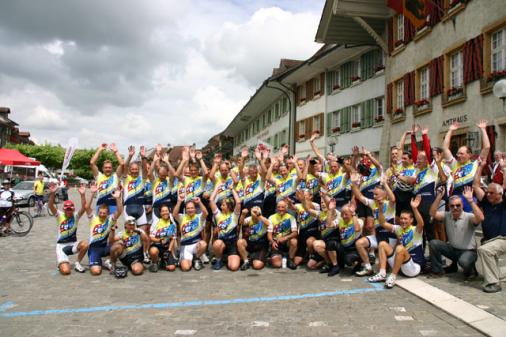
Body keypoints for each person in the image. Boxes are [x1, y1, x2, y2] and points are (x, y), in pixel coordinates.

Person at [368, 195, 425, 288]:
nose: (403, 221)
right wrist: (381, 210)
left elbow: (421, 224)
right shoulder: (398, 228)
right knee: (382, 244)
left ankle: (393, 276)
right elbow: (383, 223)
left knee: (399, 248)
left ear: (411, 220)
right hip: (400, 266)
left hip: (413, 267)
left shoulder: (416, 230)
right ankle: (382, 273)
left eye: (405, 219)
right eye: (401, 218)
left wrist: (414, 209)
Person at [429, 186, 484, 277]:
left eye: (458, 205)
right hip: (453, 250)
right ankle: (437, 271)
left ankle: (471, 269)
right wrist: (439, 197)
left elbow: (481, 218)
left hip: (468, 251)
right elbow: (432, 213)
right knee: (433, 243)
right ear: (449, 207)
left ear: (462, 206)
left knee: (464, 262)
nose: (455, 208)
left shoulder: (468, 216)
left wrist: (470, 201)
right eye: (452, 206)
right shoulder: (447, 215)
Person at [350, 172, 397, 276]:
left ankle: (385, 267)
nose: (374, 196)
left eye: (376, 194)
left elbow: (393, 198)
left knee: (384, 267)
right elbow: (360, 196)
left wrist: (385, 184)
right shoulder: (373, 203)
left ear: (384, 194)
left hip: (390, 239)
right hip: (379, 237)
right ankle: (368, 268)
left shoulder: (389, 204)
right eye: (374, 194)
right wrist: (353, 184)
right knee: (359, 243)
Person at [442, 120, 490, 211]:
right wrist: (450, 130)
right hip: (456, 197)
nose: (458, 155)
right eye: (457, 153)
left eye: (461, 154)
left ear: (469, 155)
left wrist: (483, 129)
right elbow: (445, 148)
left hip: (471, 197)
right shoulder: (454, 164)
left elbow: (486, 147)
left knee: (469, 221)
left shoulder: (475, 163)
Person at [473, 162, 506, 293]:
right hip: (489, 239)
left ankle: (494, 283)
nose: (488, 195)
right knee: (489, 255)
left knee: (485, 251)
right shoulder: (486, 201)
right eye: (487, 192)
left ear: (500, 194)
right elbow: (475, 185)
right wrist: (480, 167)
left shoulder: (504, 203)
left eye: (492, 193)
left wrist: (504, 169)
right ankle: (497, 275)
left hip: (503, 239)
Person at [48, 183, 89, 275]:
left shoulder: (76, 216)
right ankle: (62, 263)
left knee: (85, 244)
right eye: (67, 209)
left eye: (70, 209)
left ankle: (77, 262)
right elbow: (50, 206)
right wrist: (52, 193)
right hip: (61, 246)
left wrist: (82, 195)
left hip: (72, 244)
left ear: (73, 209)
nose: (69, 211)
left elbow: (84, 207)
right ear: (64, 209)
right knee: (66, 272)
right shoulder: (60, 216)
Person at [87, 184, 123, 276]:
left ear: (108, 213)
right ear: (98, 212)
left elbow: (119, 211)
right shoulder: (93, 218)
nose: (102, 214)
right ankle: (101, 262)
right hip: (94, 248)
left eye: (104, 213)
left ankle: (111, 261)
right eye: (100, 213)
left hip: (105, 247)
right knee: (96, 272)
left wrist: (118, 198)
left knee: (119, 246)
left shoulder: (110, 219)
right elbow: (86, 207)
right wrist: (91, 193)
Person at [209, 184, 242, 271]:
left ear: (229, 206)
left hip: (232, 244)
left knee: (234, 267)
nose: (220, 206)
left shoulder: (234, 216)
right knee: (217, 243)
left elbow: (238, 202)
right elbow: (211, 200)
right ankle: (219, 260)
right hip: (222, 243)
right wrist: (217, 187)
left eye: (223, 205)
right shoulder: (218, 215)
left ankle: (228, 258)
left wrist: (232, 189)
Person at [173, 194, 208, 271]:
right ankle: (188, 259)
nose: (190, 210)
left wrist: (199, 202)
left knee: (203, 244)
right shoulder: (182, 217)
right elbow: (174, 214)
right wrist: (179, 201)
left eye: (192, 208)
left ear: (195, 209)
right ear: (185, 209)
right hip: (185, 246)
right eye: (188, 208)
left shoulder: (199, 217)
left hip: (196, 245)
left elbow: (205, 213)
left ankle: (197, 258)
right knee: (185, 268)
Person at [287, 189, 320, 267]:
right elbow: (292, 207)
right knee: (296, 262)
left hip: (312, 234)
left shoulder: (316, 205)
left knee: (310, 242)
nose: (303, 197)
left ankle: (311, 255)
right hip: (302, 234)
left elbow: (308, 207)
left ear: (311, 196)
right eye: (302, 196)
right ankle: (304, 255)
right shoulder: (299, 205)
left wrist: (303, 200)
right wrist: (289, 202)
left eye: (305, 195)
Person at [90, 143, 124, 213]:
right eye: (106, 167)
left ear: (112, 169)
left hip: (113, 205)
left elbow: (122, 164)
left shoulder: (115, 176)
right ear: (102, 169)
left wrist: (116, 152)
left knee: (112, 224)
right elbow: (92, 163)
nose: (107, 169)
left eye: (109, 167)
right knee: (99, 224)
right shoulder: (99, 176)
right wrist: (99, 150)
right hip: (100, 205)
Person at [122, 146, 148, 232]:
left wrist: (143, 157)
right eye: (132, 169)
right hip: (128, 208)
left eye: (136, 169)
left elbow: (145, 170)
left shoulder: (142, 179)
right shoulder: (126, 179)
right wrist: (130, 156)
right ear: (129, 170)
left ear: (138, 170)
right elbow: (124, 166)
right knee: (128, 235)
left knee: (143, 234)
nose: (134, 171)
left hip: (141, 208)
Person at [267, 200, 298, 269]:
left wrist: (285, 238)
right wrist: (272, 242)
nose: (280, 209)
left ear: (286, 208)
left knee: (294, 241)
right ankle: (277, 257)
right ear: (276, 208)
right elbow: (269, 234)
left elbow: (295, 233)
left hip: (287, 242)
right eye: (278, 207)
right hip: (276, 242)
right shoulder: (271, 217)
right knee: (277, 265)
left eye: (283, 207)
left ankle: (290, 259)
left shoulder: (291, 218)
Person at [237, 206, 269, 270]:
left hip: (261, 245)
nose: (255, 212)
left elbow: (268, 223)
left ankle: (258, 258)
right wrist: (243, 214)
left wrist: (258, 215)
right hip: (250, 243)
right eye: (254, 211)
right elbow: (241, 223)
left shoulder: (263, 219)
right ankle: (246, 261)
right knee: (240, 242)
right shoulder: (249, 219)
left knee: (257, 266)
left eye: (257, 210)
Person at [148, 205, 178, 272]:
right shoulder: (156, 222)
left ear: (169, 212)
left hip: (167, 247)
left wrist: (169, 250)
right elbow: (151, 237)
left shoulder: (172, 223)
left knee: (171, 268)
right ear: (160, 213)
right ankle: (154, 263)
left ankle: (163, 262)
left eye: (166, 211)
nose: (165, 212)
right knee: (153, 251)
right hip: (157, 245)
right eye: (163, 211)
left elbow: (173, 238)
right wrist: (159, 240)